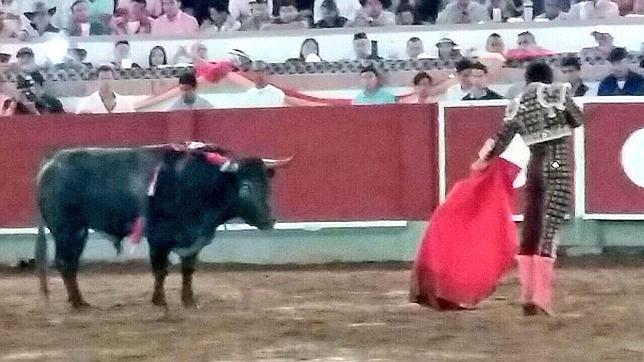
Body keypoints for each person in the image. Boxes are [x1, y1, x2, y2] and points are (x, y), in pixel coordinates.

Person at [472, 61, 584, 315]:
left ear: (526, 80)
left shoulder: (517, 104)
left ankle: (526, 295)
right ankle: (541, 298)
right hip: (556, 164)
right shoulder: (557, 92)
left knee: (532, 227)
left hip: (534, 166)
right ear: (547, 78)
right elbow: (578, 119)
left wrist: (482, 162)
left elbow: (500, 141)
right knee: (550, 228)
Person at [410, 133, 529, 310]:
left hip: (466, 203)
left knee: (453, 246)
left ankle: (444, 291)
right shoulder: (503, 172)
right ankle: (449, 291)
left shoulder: (484, 175)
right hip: (477, 203)